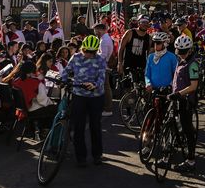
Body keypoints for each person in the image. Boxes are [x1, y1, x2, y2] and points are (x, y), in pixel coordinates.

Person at [62, 35, 108, 167]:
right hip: (79, 96)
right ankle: (81, 157)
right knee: (79, 127)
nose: (88, 54)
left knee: (95, 126)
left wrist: (95, 85)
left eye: (92, 52)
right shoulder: (76, 57)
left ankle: (97, 155)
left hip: (96, 96)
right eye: (86, 51)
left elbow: (101, 77)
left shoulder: (100, 60)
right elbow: (66, 71)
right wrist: (61, 80)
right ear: (83, 48)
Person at [170, 35, 200, 172]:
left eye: (183, 52)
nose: (181, 54)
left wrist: (178, 94)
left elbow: (193, 86)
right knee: (177, 124)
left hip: (187, 100)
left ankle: (191, 160)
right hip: (178, 98)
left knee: (188, 130)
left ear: (189, 50)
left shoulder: (192, 64)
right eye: (179, 51)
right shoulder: (180, 60)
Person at [118, 16, 151, 83]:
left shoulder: (149, 38)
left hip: (141, 67)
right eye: (143, 22)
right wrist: (119, 63)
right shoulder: (130, 33)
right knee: (127, 89)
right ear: (138, 23)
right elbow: (121, 49)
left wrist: (148, 68)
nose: (145, 24)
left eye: (147, 22)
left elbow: (149, 54)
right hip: (128, 66)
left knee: (140, 89)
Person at [93, 23, 115, 116]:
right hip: (103, 66)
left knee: (105, 88)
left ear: (99, 30)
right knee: (104, 87)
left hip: (103, 66)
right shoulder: (105, 39)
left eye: (95, 30)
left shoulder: (104, 40)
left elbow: (103, 55)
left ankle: (108, 109)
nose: (95, 32)